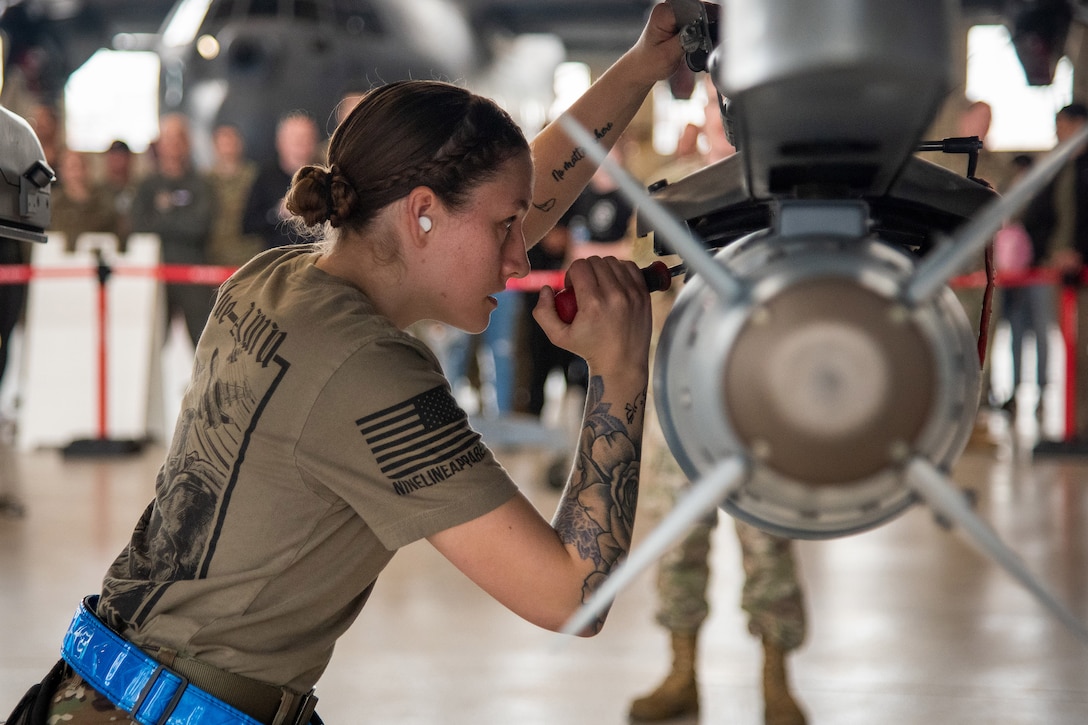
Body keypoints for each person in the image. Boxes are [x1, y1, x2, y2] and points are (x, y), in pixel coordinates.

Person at [7, 6, 684, 723]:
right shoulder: (370, 370)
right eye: (504, 229)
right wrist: (619, 370)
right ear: (420, 213)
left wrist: (642, 63)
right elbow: (573, 595)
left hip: (95, 689)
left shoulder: (275, 280)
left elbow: (489, 205)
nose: (520, 257)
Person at [627, 78, 808, 725]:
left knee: (770, 538)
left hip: (763, 396)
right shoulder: (669, 187)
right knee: (678, 538)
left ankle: (776, 680)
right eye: (713, 107)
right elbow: (644, 281)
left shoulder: (787, 192)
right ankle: (681, 673)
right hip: (684, 394)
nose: (720, 120)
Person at [130, 113, 218, 346]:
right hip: (156, 273)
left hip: (192, 272)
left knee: (204, 344)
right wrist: (177, 219)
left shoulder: (200, 184)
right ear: (159, 144)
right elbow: (139, 227)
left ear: (187, 143)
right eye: (168, 138)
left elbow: (199, 226)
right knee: (150, 345)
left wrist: (163, 216)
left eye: (178, 138)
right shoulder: (147, 186)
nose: (173, 144)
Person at [243, 110, 320, 250]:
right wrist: (277, 213)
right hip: (278, 259)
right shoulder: (266, 176)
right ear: (280, 142)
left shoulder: (325, 175)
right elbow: (248, 225)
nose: (301, 145)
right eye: (295, 139)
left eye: (306, 138)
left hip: (317, 258)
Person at [205, 123, 262, 267]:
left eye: (231, 142)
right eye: (223, 143)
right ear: (215, 147)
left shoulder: (255, 176)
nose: (228, 149)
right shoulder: (205, 180)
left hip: (249, 254)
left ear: (240, 144)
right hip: (215, 255)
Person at [49, 148, 123, 251]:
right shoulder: (52, 204)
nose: (76, 173)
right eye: (71, 168)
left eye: (81, 166)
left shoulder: (104, 201)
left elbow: (116, 235)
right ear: (62, 171)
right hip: (61, 262)